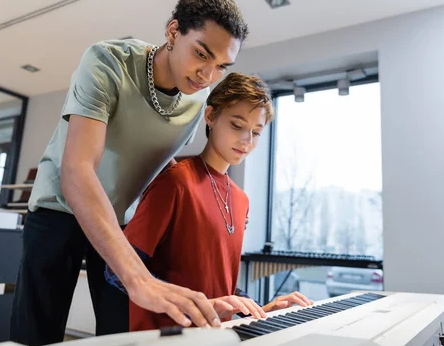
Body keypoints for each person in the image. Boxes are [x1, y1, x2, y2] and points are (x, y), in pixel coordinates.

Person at [10, 0, 249, 346]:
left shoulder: (197, 101)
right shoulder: (107, 63)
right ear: (173, 32)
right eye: (201, 54)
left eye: (221, 66)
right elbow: (78, 171)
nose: (207, 76)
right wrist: (137, 277)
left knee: (122, 337)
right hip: (58, 209)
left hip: (120, 221)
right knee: (36, 339)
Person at [105, 73, 313, 331]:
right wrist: (197, 305)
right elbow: (117, 273)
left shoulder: (240, 200)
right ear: (211, 116)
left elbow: (218, 282)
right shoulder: (175, 183)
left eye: (256, 133)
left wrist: (259, 309)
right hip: (164, 342)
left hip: (214, 341)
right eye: (237, 126)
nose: (247, 141)